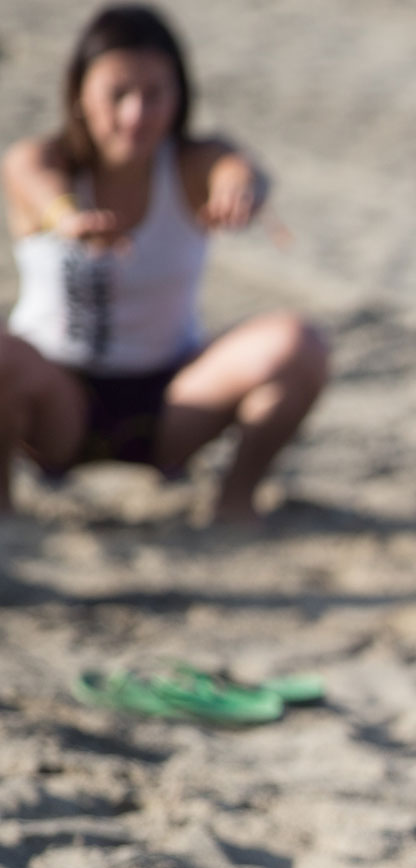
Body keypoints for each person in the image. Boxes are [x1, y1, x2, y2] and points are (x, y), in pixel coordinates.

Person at [0, 4, 327, 522]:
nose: (137, 114)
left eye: (155, 94)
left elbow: (236, 169)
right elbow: (34, 181)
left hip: (171, 398)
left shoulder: (190, 164)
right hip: (56, 399)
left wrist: (241, 193)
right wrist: (68, 220)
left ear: (180, 97)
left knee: (300, 343)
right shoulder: (44, 159)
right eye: (118, 94)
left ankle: (236, 504)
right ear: (80, 94)